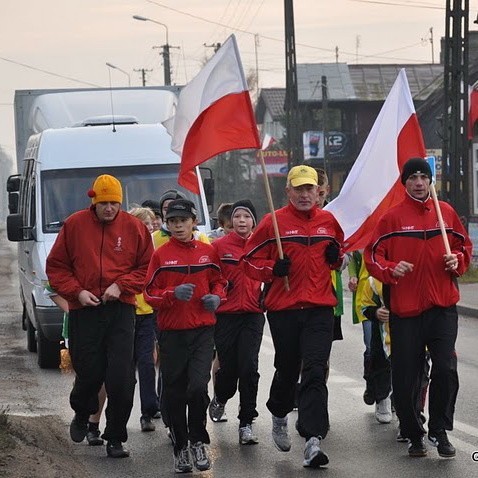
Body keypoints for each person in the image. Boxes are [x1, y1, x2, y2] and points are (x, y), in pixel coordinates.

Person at [364, 157, 472, 459]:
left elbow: (464, 248)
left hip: (442, 307)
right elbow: (372, 256)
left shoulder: (445, 213)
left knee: (446, 369)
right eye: (413, 177)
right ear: (405, 182)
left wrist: (458, 262)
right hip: (406, 310)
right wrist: (390, 269)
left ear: (430, 181)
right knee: (406, 375)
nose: (419, 182)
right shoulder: (392, 218)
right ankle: (413, 433)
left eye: (424, 176)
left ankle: (439, 429)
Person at [46, 174, 154, 458]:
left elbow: (147, 267)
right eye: (104, 203)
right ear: (93, 200)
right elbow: (56, 267)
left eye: (114, 203)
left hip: (121, 310)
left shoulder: (135, 228)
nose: (109, 208)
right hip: (85, 310)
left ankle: (116, 437)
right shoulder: (74, 225)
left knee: (121, 379)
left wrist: (122, 286)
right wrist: (77, 292)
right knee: (89, 373)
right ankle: (82, 412)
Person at [243, 165, 344, 468]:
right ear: (287, 192)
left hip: (319, 307)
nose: (304, 194)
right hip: (284, 308)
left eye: (309, 189)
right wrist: (272, 269)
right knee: (288, 367)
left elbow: (339, 257)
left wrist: (335, 258)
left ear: (318, 192)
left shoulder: (329, 222)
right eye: (298, 189)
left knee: (314, 370)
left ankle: (313, 440)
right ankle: (278, 411)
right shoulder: (273, 222)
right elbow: (249, 261)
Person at [144, 199, 228, 474]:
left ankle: (197, 441)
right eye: (172, 222)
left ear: (194, 222)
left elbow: (220, 281)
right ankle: (180, 447)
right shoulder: (161, 255)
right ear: (166, 226)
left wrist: (217, 296)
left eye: (183, 220)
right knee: (174, 392)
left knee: (196, 387)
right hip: (172, 333)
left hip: (203, 330)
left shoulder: (208, 251)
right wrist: (171, 295)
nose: (178, 226)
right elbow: (149, 294)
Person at [208, 199, 264, 445]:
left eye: (247, 217)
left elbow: (272, 272)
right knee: (229, 370)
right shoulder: (218, 247)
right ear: (231, 221)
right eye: (238, 217)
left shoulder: (262, 246)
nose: (242, 221)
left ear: (254, 221)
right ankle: (220, 398)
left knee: (249, 368)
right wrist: (219, 291)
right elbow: (211, 276)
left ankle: (246, 423)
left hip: (253, 314)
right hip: (226, 315)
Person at [128, 206, 160, 432]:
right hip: (126, 315)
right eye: (144, 223)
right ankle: (119, 415)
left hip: (148, 314)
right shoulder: (125, 250)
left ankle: (148, 411)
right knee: (126, 370)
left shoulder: (156, 250)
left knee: (147, 363)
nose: (149, 227)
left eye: (150, 223)